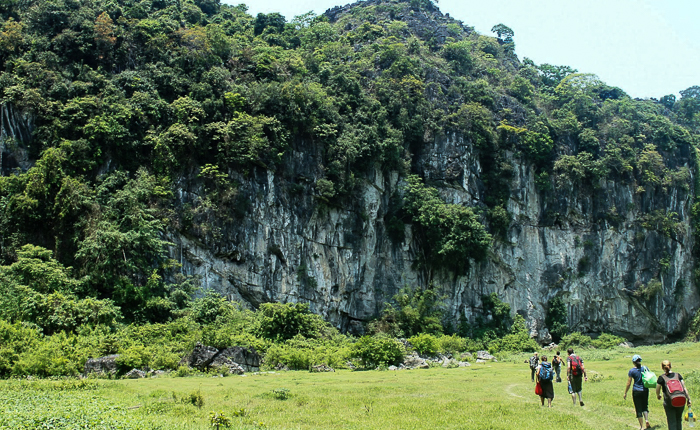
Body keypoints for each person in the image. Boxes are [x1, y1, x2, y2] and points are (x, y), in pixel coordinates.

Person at [656, 360, 692, 430]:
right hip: (681, 400)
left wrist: (658, 395)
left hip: (669, 402)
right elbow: (684, 388)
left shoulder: (662, 378)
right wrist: (689, 399)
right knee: (678, 419)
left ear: (662, 367)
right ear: (671, 366)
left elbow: (657, 389)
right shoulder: (678, 375)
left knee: (671, 421)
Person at [623, 354, 651, 430]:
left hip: (636, 391)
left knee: (638, 408)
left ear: (633, 362)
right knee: (645, 406)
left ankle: (642, 426)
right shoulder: (645, 368)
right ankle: (646, 420)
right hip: (645, 390)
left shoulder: (632, 371)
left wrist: (625, 392)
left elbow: (629, 383)